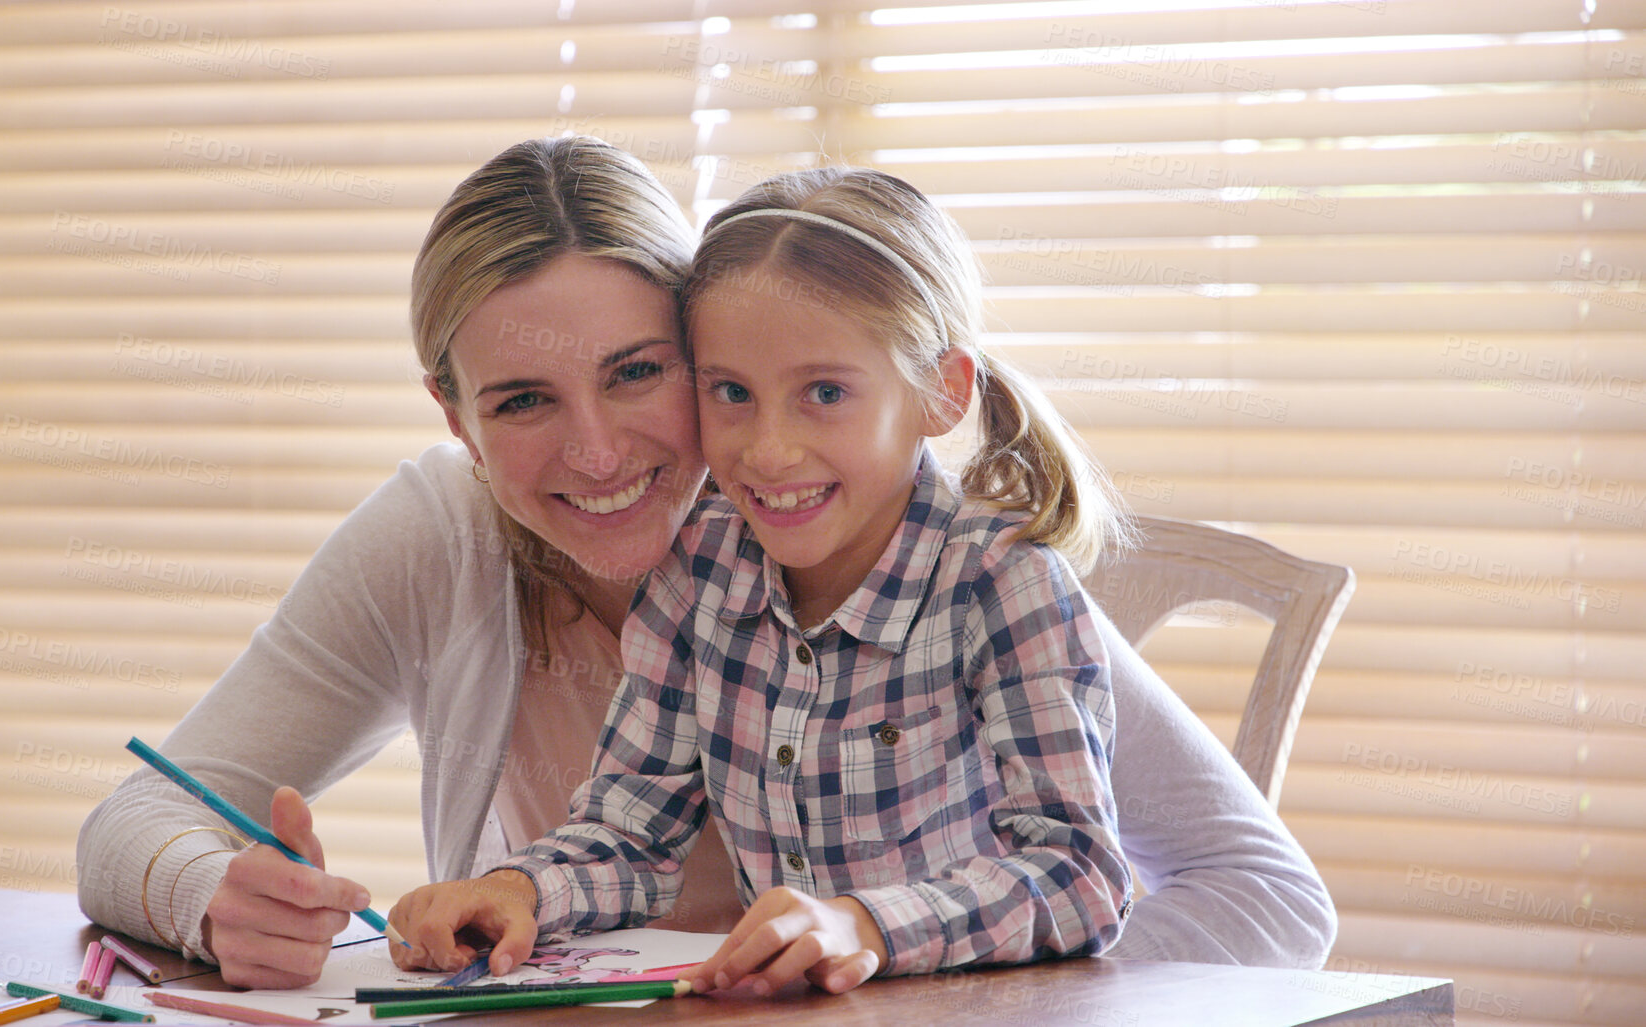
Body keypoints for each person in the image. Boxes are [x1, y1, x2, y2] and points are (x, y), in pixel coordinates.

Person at [74, 136, 1336, 991]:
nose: (598, 448)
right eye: (520, 399)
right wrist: (222, 896)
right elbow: (620, 831)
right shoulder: (560, 558)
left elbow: (1235, 893)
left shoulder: (946, 565)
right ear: (454, 417)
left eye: (639, 372)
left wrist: (920, 980)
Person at [385, 167, 1130, 994]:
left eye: (823, 392)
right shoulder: (696, 573)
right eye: (731, 392)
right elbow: (631, 833)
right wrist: (513, 889)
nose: (768, 449)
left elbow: (1080, 874)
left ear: (940, 392)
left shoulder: (1003, 582)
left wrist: (863, 921)